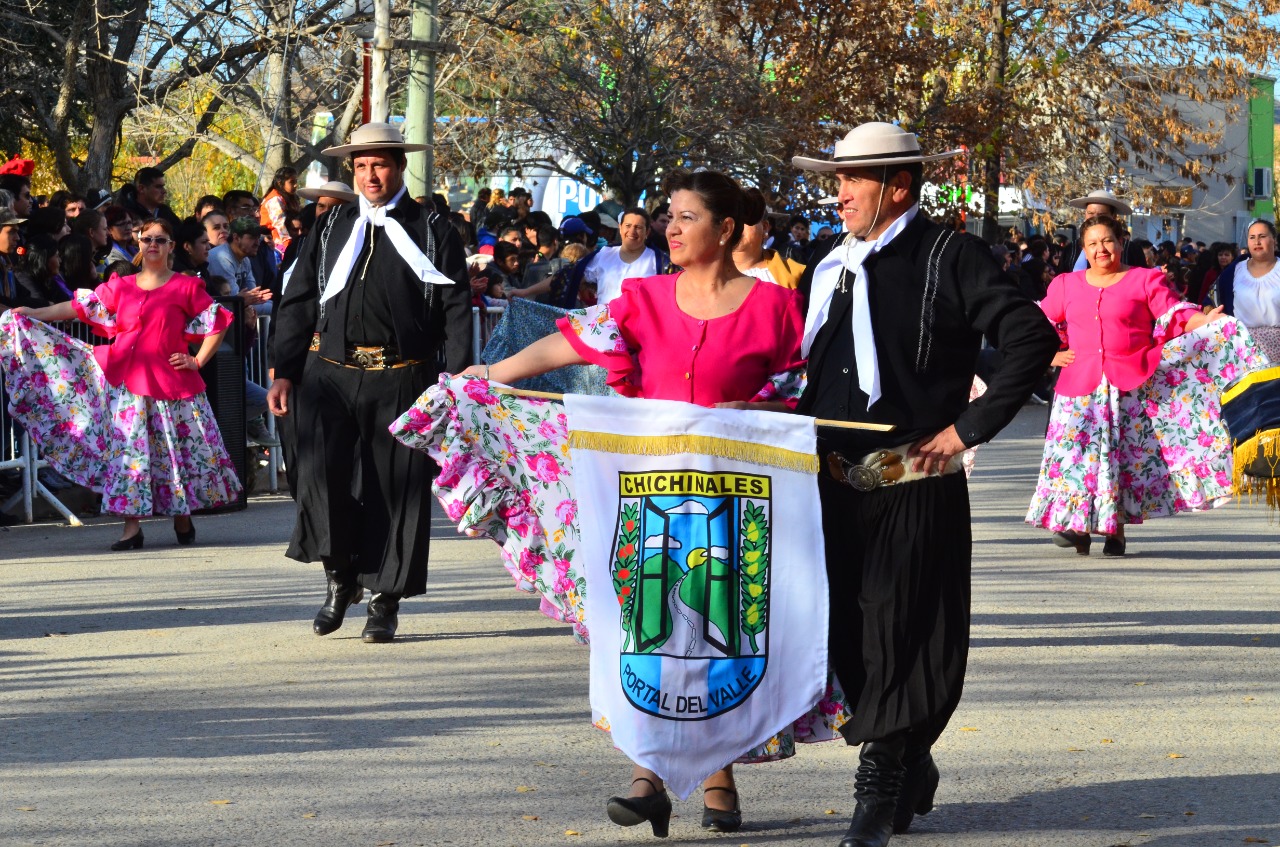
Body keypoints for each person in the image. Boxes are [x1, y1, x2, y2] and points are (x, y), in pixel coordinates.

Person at [450, 169, 820, 836]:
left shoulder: (775, 308)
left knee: (719, 637)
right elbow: (570, 340)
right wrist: (491, 373)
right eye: (667, 217)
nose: (669, 228)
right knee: (647, 634)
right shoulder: (642, 298)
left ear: (726, 229)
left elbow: (805, 396)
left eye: (685, 217)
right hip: (649, 497)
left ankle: (718, 776)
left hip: (740, 504)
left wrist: (757, 407)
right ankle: (647, 776)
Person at [790, 122, 1059, 847]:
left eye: (851, 180)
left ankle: (877, 790)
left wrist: (968, 428)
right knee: (844, 634)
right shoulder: (830, 265)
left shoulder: (951, 255)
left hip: (915, 478)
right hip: (832, 483)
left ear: (897, 185)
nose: (838, 192)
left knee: (899, 629)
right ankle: (911, 758)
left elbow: (1031, 337)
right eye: (836, 178)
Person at [267, 122, 472, 644]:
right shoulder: (332, 227)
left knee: (396, 487)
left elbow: (455, 309)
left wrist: (459, 380)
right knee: (319, 475)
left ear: (399, 166)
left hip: (404, 377)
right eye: (359, 166)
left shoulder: (435, 230)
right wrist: (284, 370)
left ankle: (385, 599)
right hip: (328, 375)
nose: (369, 174)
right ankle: (339, 577)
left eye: (378, 164)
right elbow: (298, 303)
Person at [1027, 215, 1258, 557]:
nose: (1100, 249)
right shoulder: (1065, 284)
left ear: (1121, 242)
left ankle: (1115, 531)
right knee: (1076, 459)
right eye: (1092, 243)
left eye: (1107, 240)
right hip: (1077, 392)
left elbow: (1176, 314)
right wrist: (1050, 355)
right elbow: (1034, 324)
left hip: (1128, 389)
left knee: (1119, 461)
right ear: (1084, 249)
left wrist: (1205, 320)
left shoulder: (1144, 279)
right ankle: (1077, 525)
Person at [1, 219, 241, 547]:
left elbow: (218, 322)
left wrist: (197, 360)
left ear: (171, 246)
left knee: (174, 453)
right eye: (147, 239)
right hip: (128, 387)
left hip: (172, 386)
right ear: (140, 244)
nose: (152, 244)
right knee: (130, 456)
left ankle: (181, 516)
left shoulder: (185, 286)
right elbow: (73, 307)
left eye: (160, 239)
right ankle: (132, 528)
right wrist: (33, 313)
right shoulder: (121, 286)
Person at [555, 208, 671, 307]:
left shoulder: (660, 263)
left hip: (638, 331)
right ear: (620, 228)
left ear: (647, 232)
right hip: (602, 327)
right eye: (628, 226)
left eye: (638, 227)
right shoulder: (604, 254)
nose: (632, 231)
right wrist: (535, 290)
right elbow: (569, 275)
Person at [1217, 219, 1280, 362]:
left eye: (1262, 236)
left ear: (1274, 240)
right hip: (1240, 348)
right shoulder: (1233, 271)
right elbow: (1214, 302)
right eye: (1252, 237)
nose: (1257, 242)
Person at [732, 188, 806, 288]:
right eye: (732, 219)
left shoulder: (798, 275)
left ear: (765, 227)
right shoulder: (706, 272)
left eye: (745, 218)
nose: (738, 226)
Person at [1067, 189, 1133, 270]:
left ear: (1114, 216)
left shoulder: (1131, 249)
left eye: (1101, 215)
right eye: (1090, 213)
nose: (1095, 218)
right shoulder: (1071, 249)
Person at [260, 166, 301, 257]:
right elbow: (279, 225)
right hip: (274, 242)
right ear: (280, 183)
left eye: (296, 181)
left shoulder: (290, 198)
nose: (295, 185)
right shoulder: (275, 199)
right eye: (291, 182)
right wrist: (287, 247)